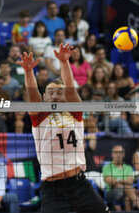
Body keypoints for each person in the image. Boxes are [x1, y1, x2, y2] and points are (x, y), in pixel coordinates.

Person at [17, 43, 108, 213]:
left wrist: (64, 62)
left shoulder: (75, 113)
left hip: (79, 183)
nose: (55, 96)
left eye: (59, 92)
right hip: (53, 189)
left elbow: (71, 90)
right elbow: (33, 95)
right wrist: (29, 71)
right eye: (51, 92)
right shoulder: (40, 117)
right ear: (45, 97)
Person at [103, 145, 139, 211]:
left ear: (124, 154)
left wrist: (117, 180)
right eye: (116, 152)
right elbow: (111, 182)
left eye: (120, 152)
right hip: (112, 192)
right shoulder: (106, 167)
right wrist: (124, 182)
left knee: (127, 198)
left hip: (127, 192)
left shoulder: (128, 168)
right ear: (112, 154)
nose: (118, 154)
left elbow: (130, 181)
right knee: (128, 188)